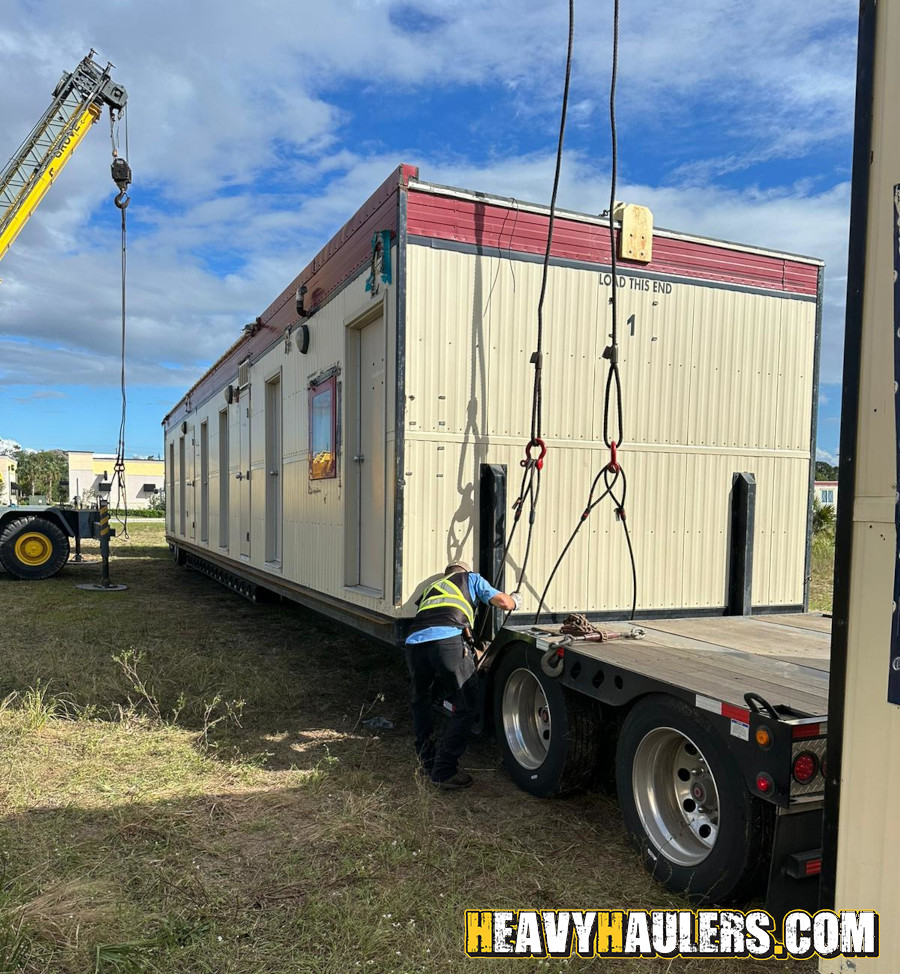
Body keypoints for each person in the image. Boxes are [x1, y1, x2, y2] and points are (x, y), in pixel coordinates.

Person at [404, 560, 519, 790]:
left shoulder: (431, 589)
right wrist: (516, 600)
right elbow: (503, 603)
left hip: (413, 646)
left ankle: (426, 761)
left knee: (422, 702)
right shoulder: (471, 579)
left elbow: (442, 617)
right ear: (465, 571)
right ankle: (444, 771)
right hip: (445, 642)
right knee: (466, 705)